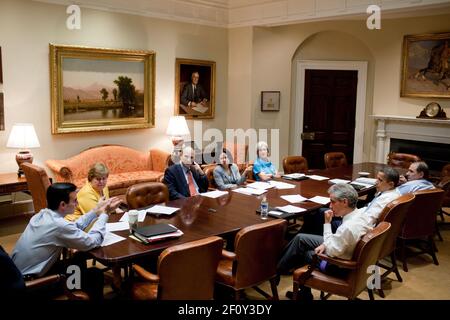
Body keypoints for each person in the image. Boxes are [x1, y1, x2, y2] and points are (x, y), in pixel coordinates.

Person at [11, 183, 121, 299]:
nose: (77, 204)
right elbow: (93, 242)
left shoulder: (42, 214)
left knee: (79, 257)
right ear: (62, 204)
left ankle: (79, 284)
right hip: (33, 286)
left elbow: (73, 226)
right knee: (94, 275)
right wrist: (104, 214)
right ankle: (80, 288)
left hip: (18, 276)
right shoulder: (58, 226)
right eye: (74, 201)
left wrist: (96, 211)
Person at [277, 183, 373, 300]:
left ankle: (282, 275)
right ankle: (278, 269)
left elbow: (332, 251)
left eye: (333, 202)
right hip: (343, 250)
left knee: (305, 253)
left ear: (344, 202)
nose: (330, 205)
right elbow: (335, 242)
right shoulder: (362, 213)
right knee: (300, 238)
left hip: (339, 266)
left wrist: (327, 224)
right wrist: (324, 243)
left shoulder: (348, 227)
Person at [300, 167, 401, 235]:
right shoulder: (392, 193)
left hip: (355, 226)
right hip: (359, 218)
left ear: (391, 184)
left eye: (380, 180)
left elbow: (368, 220)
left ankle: (308, 238)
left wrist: (348, 214)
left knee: (317, 214)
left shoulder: (386, 199)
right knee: (321, 211)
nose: (376, 182)